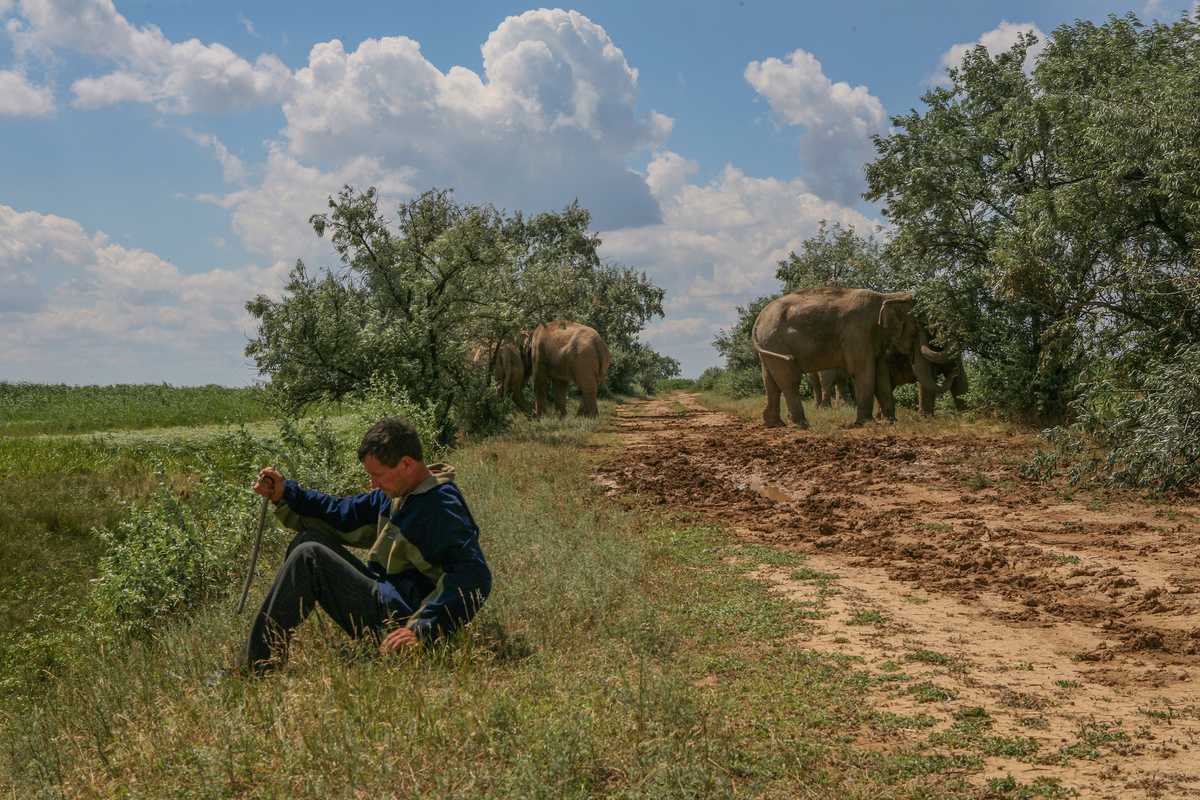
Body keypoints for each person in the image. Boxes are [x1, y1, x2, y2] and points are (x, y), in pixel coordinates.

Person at [233, 417, 491, 674]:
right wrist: (286, 494)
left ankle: (252, 669)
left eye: (377, 475)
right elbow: (343, 514)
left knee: (310, 556)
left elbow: (474, 575)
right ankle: (265, 656)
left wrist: (422, 630)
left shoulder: (440, 506)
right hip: (390, 599)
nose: (373, 484)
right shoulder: (399, 494)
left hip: (403, 627)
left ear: (406, 464)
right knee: (308, 540)